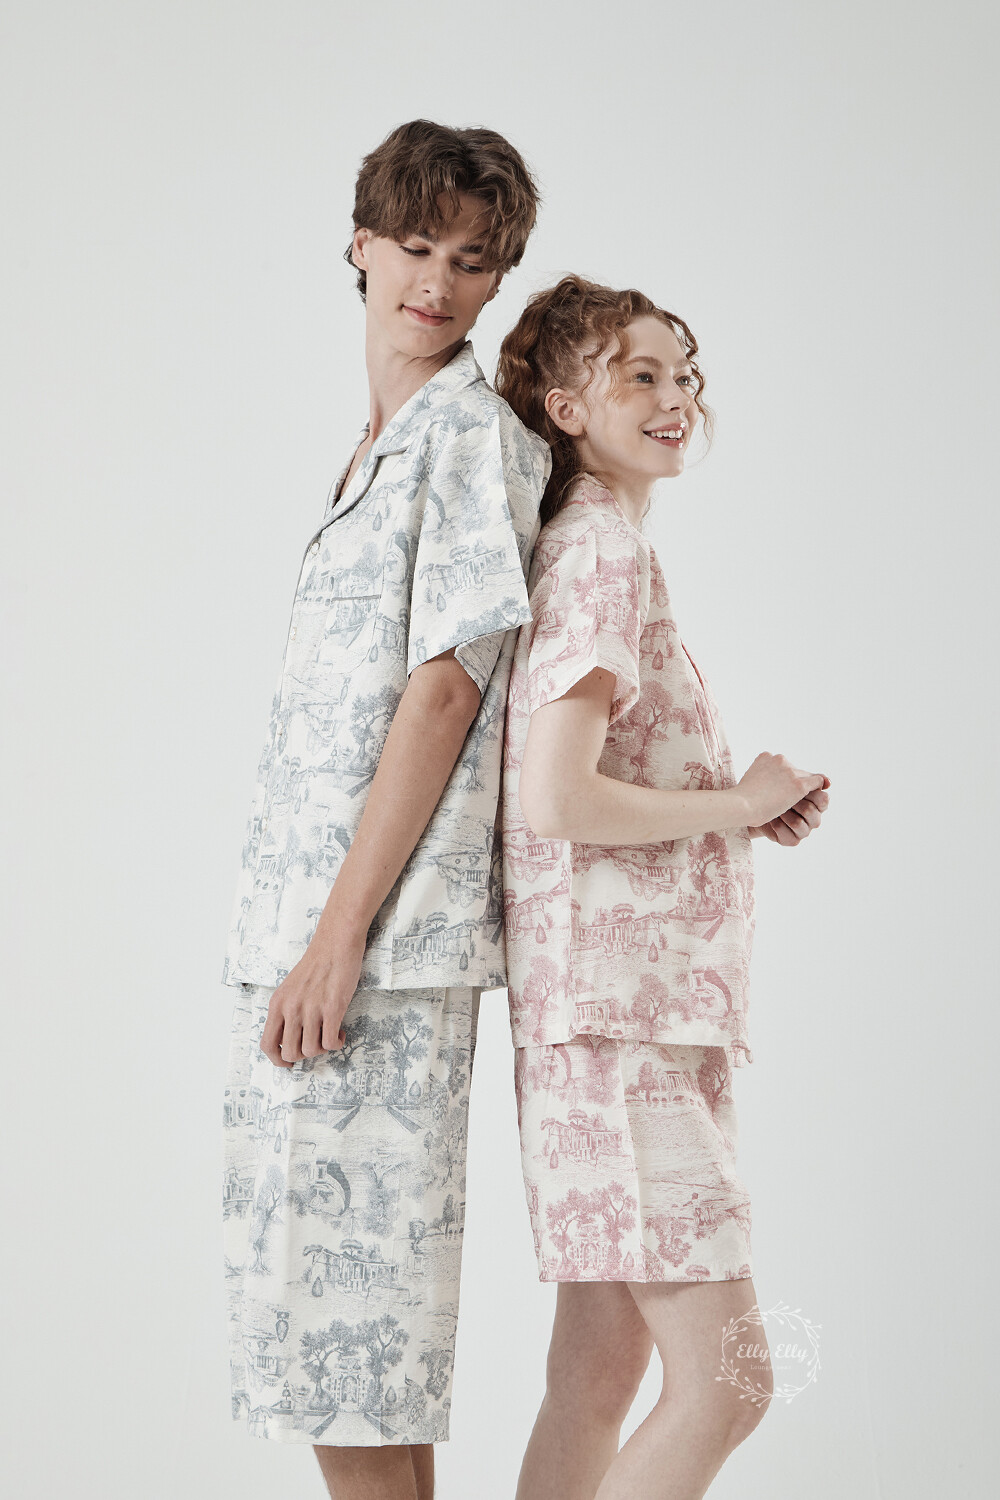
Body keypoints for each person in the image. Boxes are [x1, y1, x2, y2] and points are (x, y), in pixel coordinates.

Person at [220, 119, 550, 1500]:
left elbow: (446, 692)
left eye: (470, 261)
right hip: (308, 943)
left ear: (496, 281)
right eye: (416, 246)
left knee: (349, 1363)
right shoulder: (378, 447)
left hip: (374, 957)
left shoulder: (470, 436)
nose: (436, 282)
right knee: (332, 1362)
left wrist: (339, 936)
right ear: (360, 245)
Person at [496, 275, 831, 1500]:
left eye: (683, 375)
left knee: (596, 1374)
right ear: (565, 404)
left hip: (610, 1019)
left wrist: (731, 810)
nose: (675, 396)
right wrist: (734, 806)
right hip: (624, 1028)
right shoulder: (601, 556)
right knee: (729, 1384)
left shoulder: (594, 544)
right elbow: (556, 798)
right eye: (639, 375)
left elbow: (583, 791)